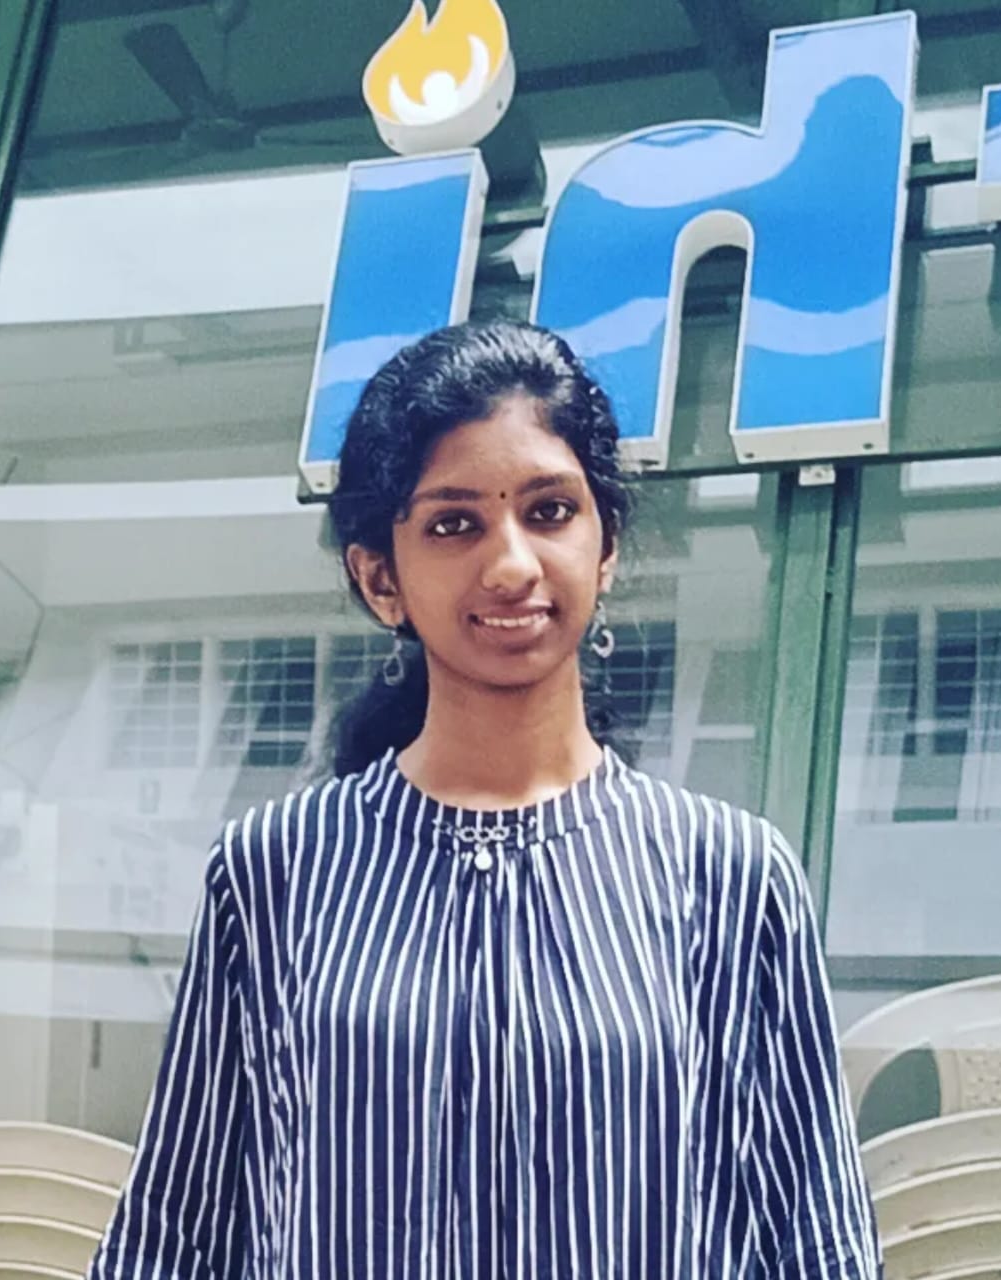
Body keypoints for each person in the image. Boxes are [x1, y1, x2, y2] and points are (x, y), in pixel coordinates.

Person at [89, 321, 881, 1279]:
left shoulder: (729, 877)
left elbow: (816, 1237)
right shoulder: (275, 870)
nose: (511, 565)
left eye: (550, 511)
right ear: (380, 577)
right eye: (454, 525)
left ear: (606, 546)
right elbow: (176, 1228)